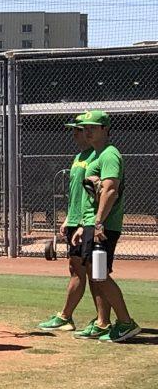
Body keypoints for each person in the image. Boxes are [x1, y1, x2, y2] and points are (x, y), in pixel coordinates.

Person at [72, 110, 140, 343]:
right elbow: (98, 191)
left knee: (100, 274)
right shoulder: (98, 155)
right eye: (86, 127)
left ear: (105, 129)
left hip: (102, 226)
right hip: (93, 224)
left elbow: (110, 190)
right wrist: (84, 224)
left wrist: (98, 222)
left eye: (93, 126)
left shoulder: (110, 155)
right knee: (96, 274)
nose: (87, 130)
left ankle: (126, 322)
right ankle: (105, 323)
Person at [37, 116, 95, 332]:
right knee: (76, 268)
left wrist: (84, 222)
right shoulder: (79, 156)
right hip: (76, 221)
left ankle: (103, 321)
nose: (76, 134)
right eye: (76, 130)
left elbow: (99, 194)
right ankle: (66, 317)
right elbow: (77, 193)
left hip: (88, 223)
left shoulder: (98, 157)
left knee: (96, 272)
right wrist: (70, 219)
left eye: (79, 130)